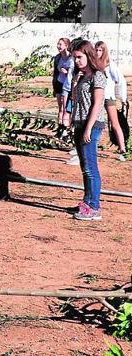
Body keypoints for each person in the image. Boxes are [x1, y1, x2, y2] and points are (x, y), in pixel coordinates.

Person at [69, 40, 107, 221]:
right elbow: (75, 99)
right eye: (74, 58)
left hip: (91, 125)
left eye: (79, 57)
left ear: (88, 55)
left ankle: (94, 206)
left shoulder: (97, 76)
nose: (76, 61)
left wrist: (89, 128)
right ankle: (87, 201)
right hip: (79, 123)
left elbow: (97, 104)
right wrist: (74, 83)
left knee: (91, 168)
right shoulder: (81, 76)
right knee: (85, 168)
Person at [95, 40, 128, 161]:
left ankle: (123, 149)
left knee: (115, 123)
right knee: (95, 122)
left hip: (108, 97)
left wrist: (122, 98)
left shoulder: (110, 64)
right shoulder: (93, 64)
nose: (98, 52)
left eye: (100, 50)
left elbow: (121, 81)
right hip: (97, 98)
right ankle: (90, 146)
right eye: (96, 50)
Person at [52, 38, 74, 127]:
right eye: (58, 44)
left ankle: (67, 128)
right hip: (59, 83)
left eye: (60, 44)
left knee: (67, 109)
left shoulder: (72, 58)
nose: (58, 46)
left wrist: (67, 71)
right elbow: (55, 73)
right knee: (60, 108)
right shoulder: (57, 57)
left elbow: (73, 71)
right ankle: (60, 127)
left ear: (66, 46)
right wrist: (54, 86)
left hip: (68, 85)